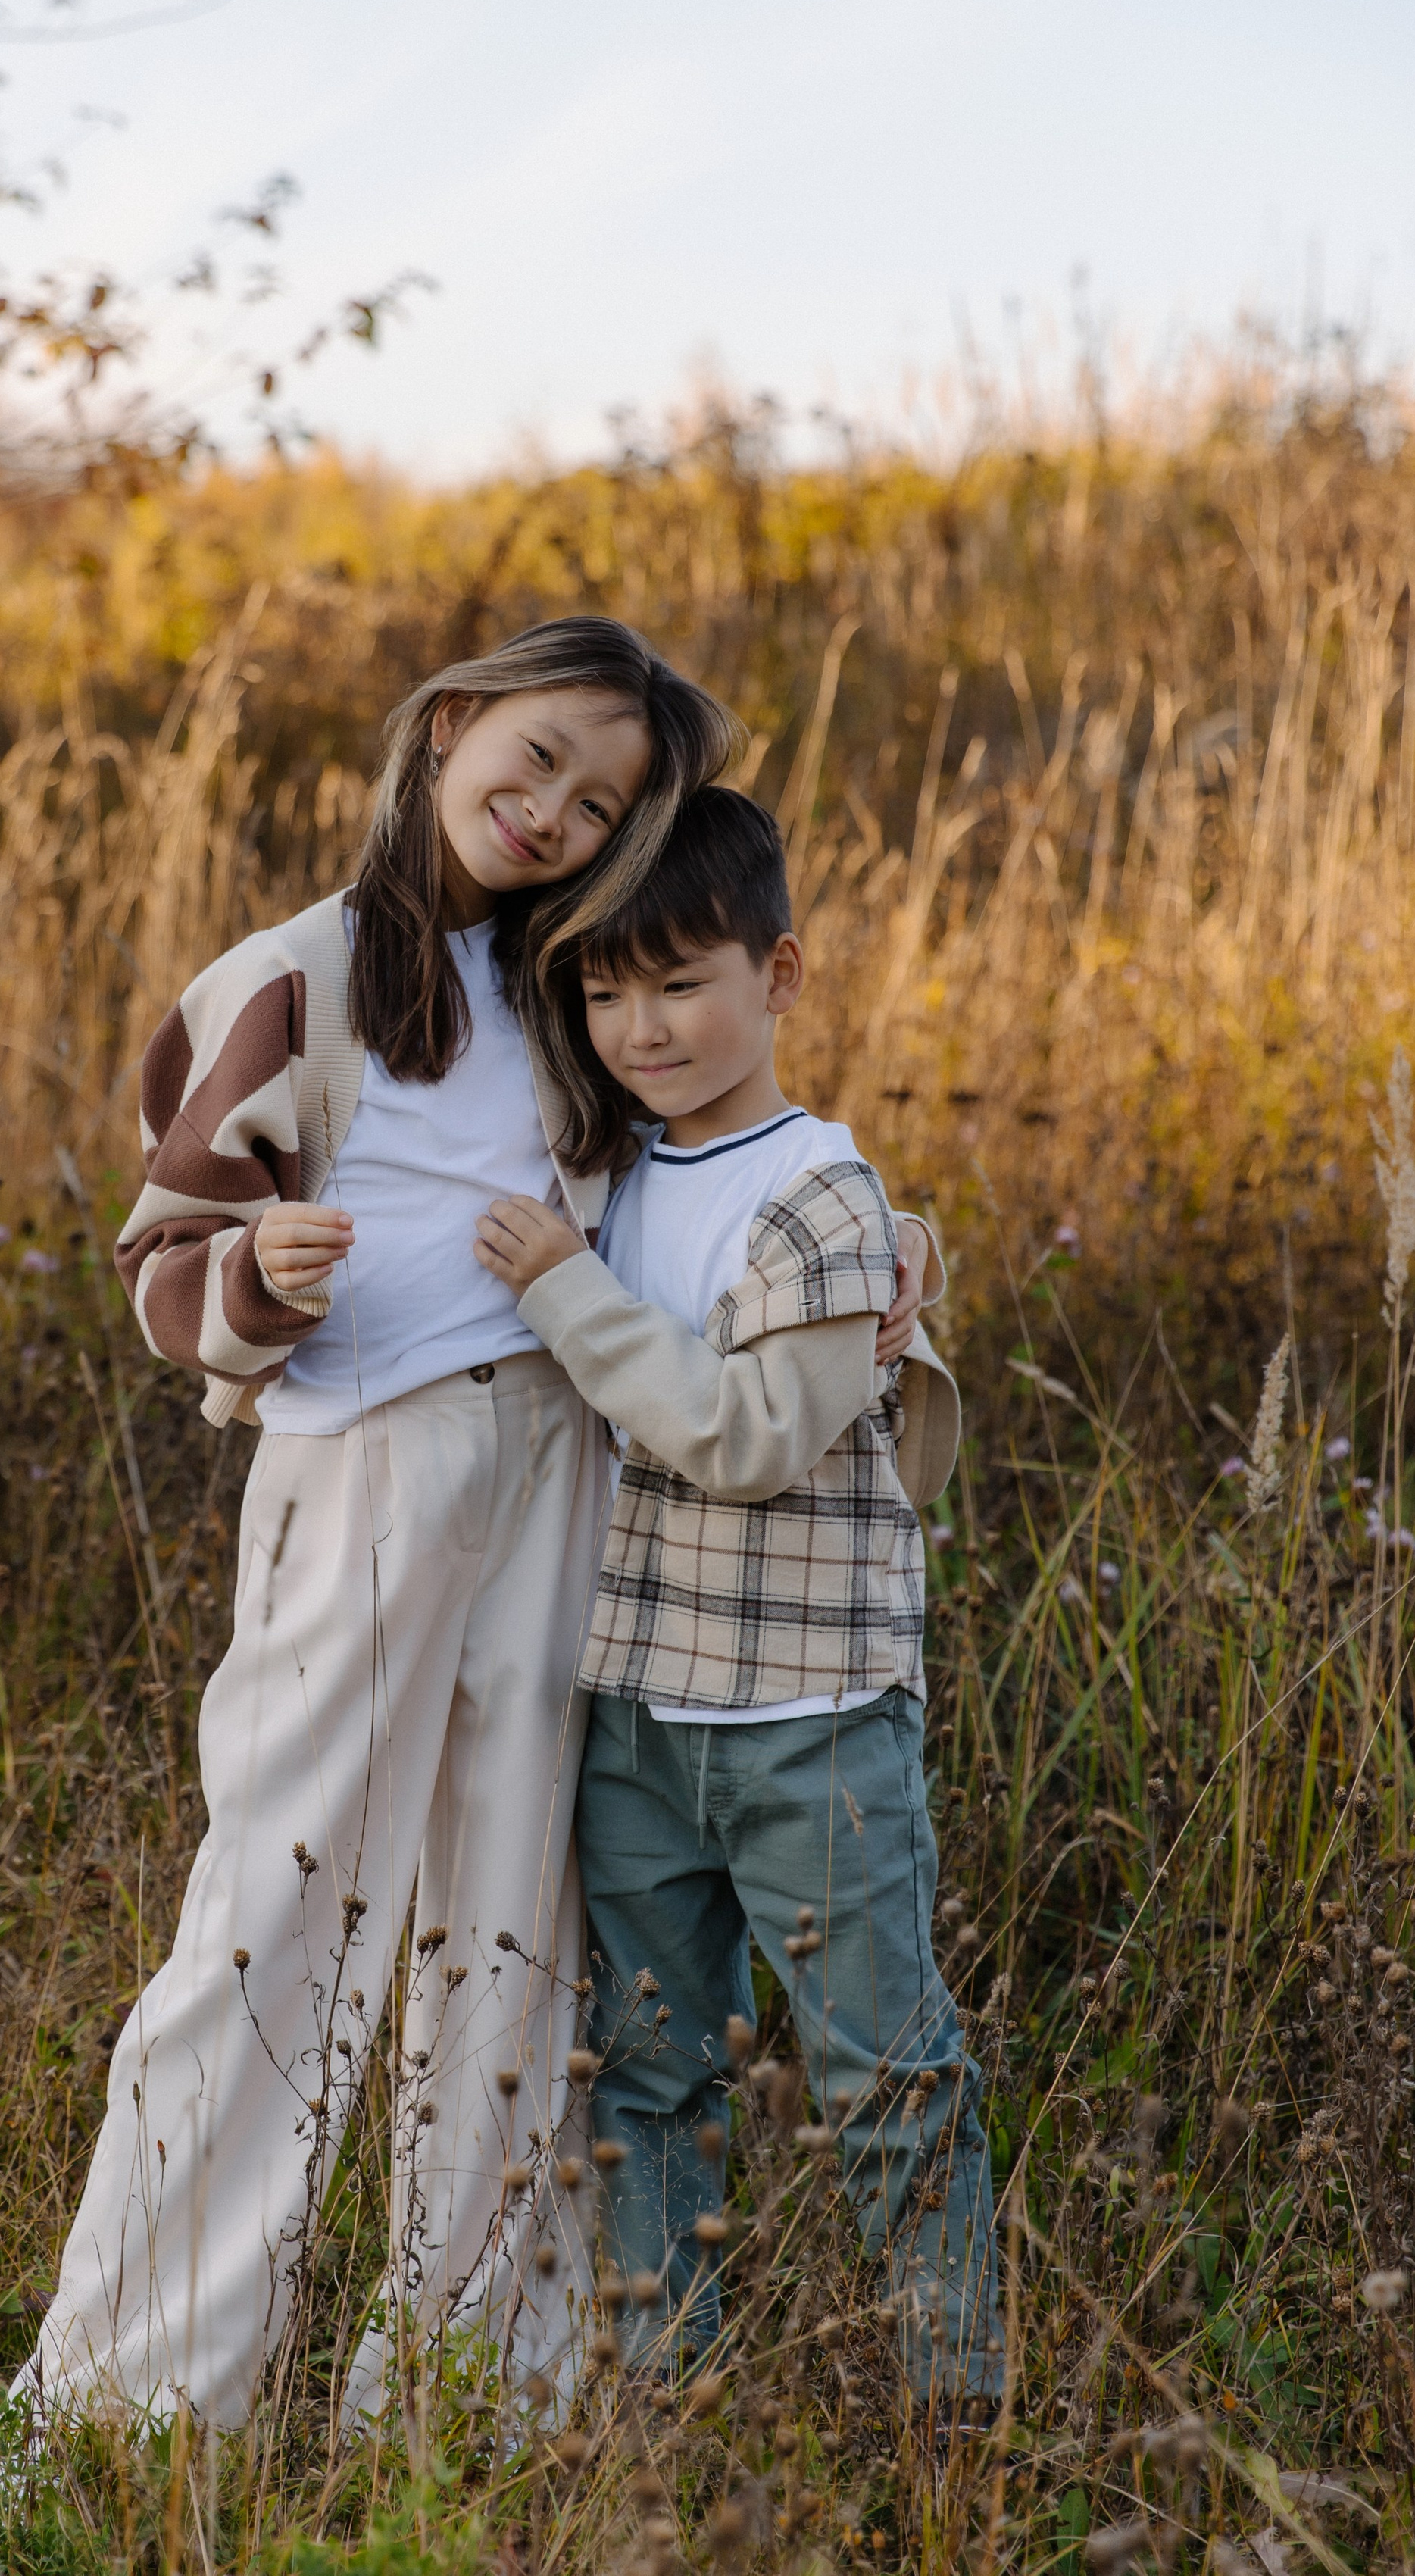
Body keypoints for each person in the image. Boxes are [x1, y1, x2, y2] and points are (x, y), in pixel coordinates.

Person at [13, 616, 745, 2435]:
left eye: (599, 803)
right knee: (278, 1913)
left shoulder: (583, 981)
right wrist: (255, 1276)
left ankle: (465, 2387)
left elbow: (718, 1175)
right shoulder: (299, 977)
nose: (552, 811)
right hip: (367, 1465)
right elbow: (162, 1252)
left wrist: (878, 1260)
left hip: (560, 1460)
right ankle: (135, 2403)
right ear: (448, 725)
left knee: (516, 1912)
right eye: (538, 756)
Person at [474, 783, 1000, 2413]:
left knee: (879, 2071)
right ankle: (664, 2389)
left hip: (807, 1728)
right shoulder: (618, 1169)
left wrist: (564, 1294)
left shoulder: (819, 1196)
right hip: (640, 1713)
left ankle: (952, 2404)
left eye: (679, 983)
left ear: (778, 977)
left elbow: (749, 1440)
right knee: (646, 2077)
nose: (640, 1028)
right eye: (603, 992)